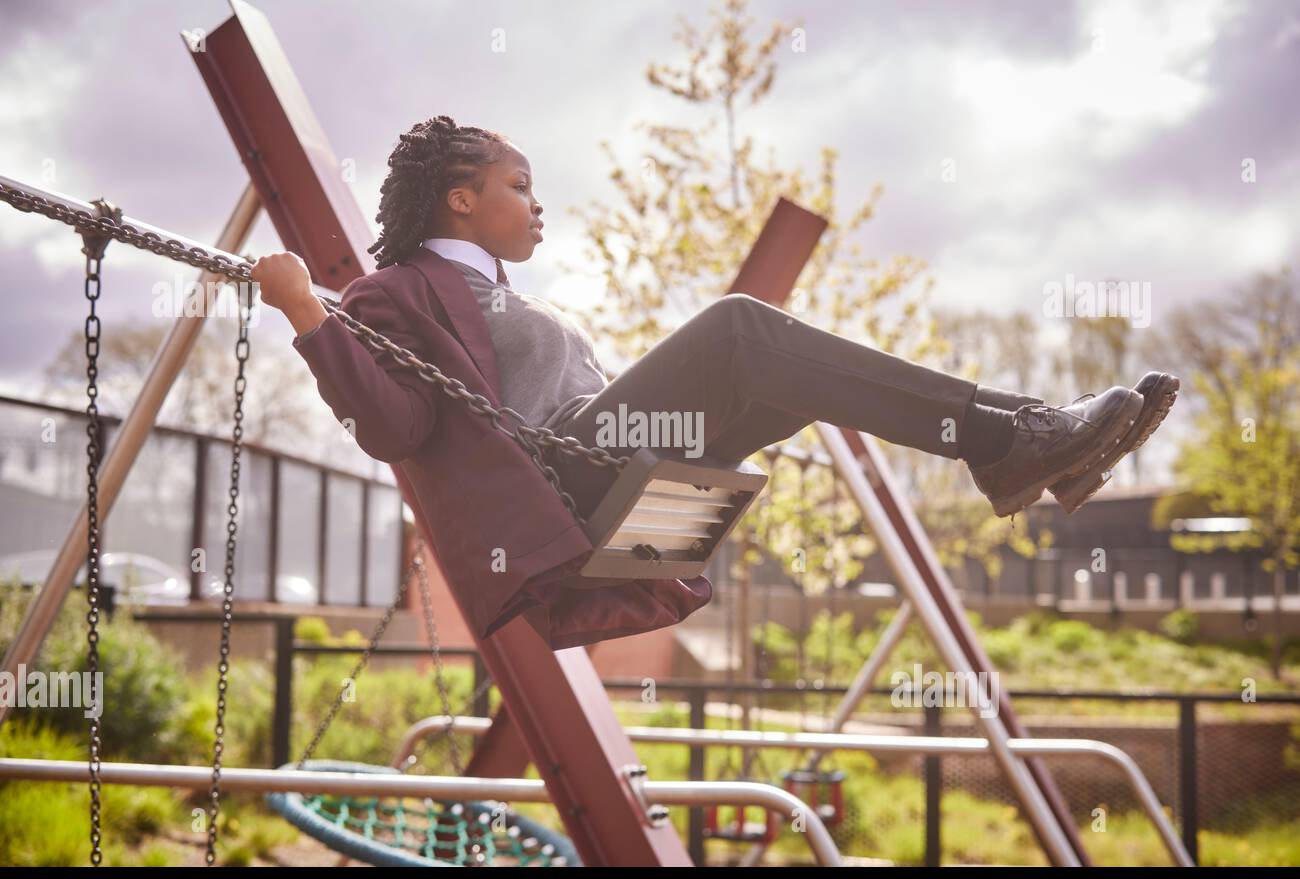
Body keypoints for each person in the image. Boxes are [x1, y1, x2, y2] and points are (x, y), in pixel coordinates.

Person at [252, 115, 1178, 522]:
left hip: (618, 452)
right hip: (564, 476)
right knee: (742, 325)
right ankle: (1015, 441)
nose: (539, 205)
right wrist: (308, 316)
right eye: (518, 186)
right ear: (459, 199)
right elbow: (397, 427)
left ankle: (1025, 434)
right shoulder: (393, 293)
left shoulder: (514, 297)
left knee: (794, 372)